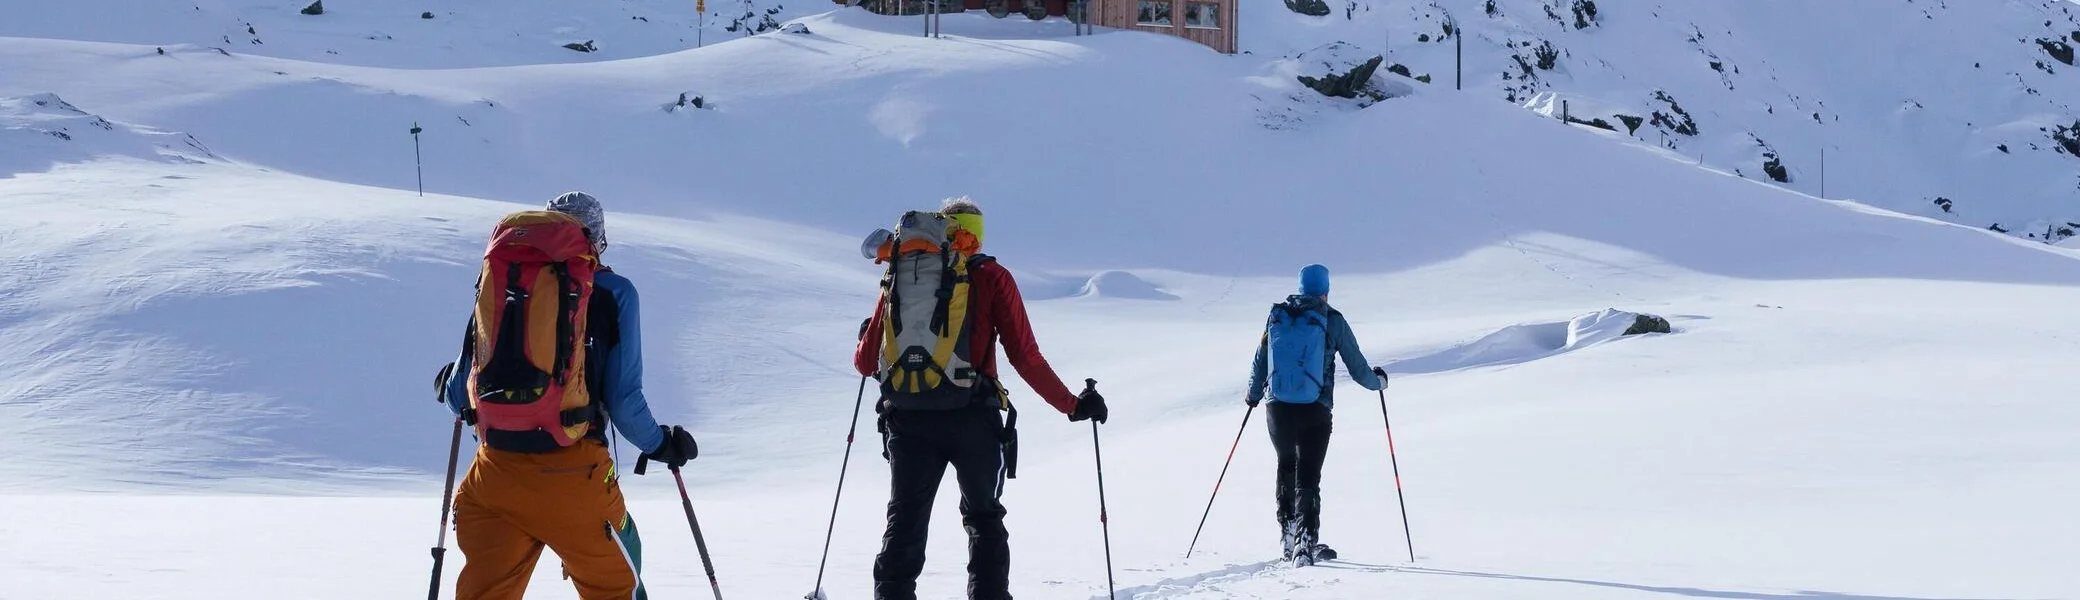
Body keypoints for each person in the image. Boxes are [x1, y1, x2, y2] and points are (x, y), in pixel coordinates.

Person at [439, 191, 700, 600]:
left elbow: (458, 393)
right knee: (618, 584)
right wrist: (662, 444)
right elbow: (624, 400)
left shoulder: (502, 280)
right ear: (596, 239)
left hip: (492, 478)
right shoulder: (614, 293)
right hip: (573, 475)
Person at [853, 197, 1108, 600]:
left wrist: (869, 332)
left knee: (904, 521)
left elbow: (866, 363)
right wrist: (1074, 405)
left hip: (908, 419)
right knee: (983, 519)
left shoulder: (903, 270)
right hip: (974, 419)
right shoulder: (992, 276)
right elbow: (1025, 356)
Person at [1244, 263, 1386, 564]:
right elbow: (1358, 367)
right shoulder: (1332, 320)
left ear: (1300, 287)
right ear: (1325, 290)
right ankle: (1305, 545)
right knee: (1308, 474)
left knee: (1286, 465)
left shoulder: (1278, 316)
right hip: (1315, 409)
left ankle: (1288, 537)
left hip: (1277, 408)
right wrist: (1379, 383)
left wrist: (1253, 396)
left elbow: (1260, 361)